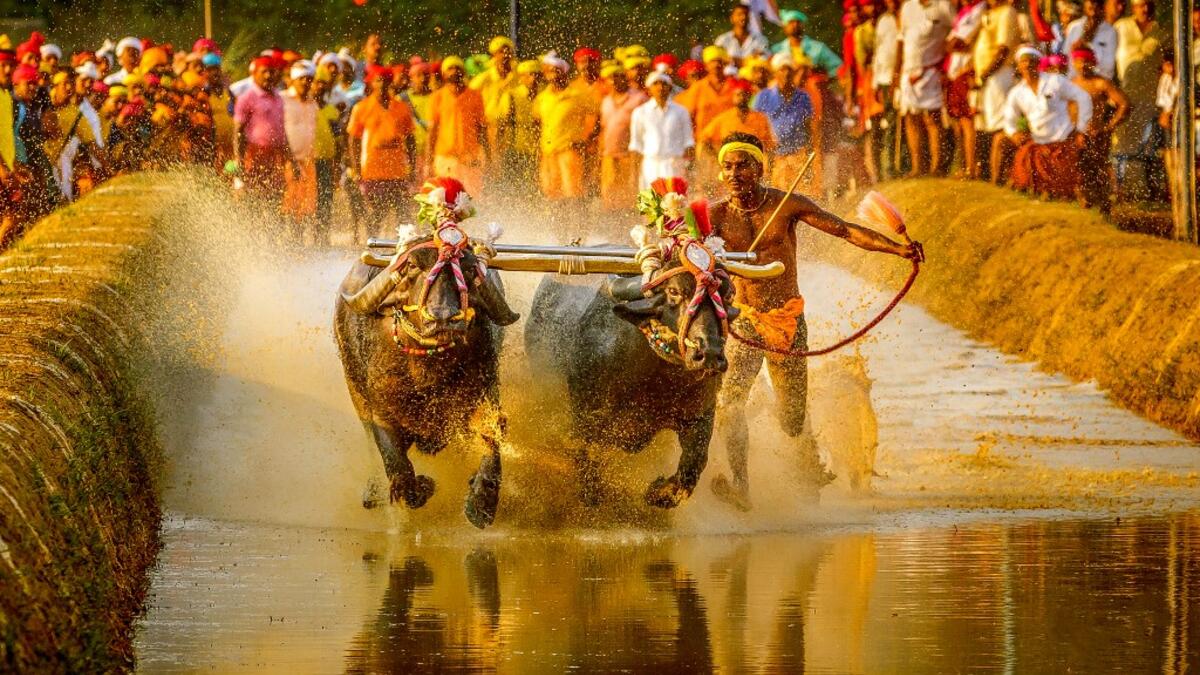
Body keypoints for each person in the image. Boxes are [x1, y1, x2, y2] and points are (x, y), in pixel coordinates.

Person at [707, 132, 922, 508]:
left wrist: (898, 248)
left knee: (790, 418)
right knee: (730, 402)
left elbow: (845, 230)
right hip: (743, 321)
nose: (735, 173)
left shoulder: (786, 205)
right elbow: (684, 253)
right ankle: (741, 488)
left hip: (787, 321)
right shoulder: (713, 217)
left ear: (759, 168)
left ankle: (808, 460)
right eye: (728, 166)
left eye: (743, 165)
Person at [1003, 46, 1093, 200]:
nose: (1026, 65)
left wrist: (1081, 129)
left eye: (1030, 61)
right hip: (1038, 144)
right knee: (1023, 164)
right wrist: (1014, 133)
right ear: (1018, 66)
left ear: (1038, 63)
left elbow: (1083, 97)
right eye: (1022, 62)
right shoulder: (1016, 92)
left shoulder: (1055, 80)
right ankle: (1041, 191)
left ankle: (1064, 192)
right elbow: (1009, 119)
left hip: (1063, 141)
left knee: (1069, 180)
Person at [348, 64, 416, 235]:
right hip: (372, 170)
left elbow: (410, 138)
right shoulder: (361, 108)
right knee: (376, 212)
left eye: (386, 81)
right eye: (379, 81)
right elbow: (353, 140)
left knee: (403, 214)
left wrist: (413, 166)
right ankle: (372, 248)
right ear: (371, 83)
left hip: (397, 169)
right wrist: (356, 168)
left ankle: (402, 249)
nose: (383, 84)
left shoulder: (401, 107)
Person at [1112, 0, 1165, 200]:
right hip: (1125, 96)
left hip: (1151, 99)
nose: (1144, 9)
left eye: (1148, 5)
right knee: (1121, 143)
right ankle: (1120, 191)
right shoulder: (1121, 27)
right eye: (1140, 5)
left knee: (1147, 145)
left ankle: (1144, 193)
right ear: (1132, 7)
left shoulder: (1162, 31)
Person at [896, 0, 954, 176]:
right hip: (908, 71)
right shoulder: (907, 7)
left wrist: (946, 65)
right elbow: (901, 40)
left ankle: (937, 167)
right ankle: (917, 167)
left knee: (932, 119)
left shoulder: (943, 5)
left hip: (931, 71)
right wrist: (896, 72)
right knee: (911, 119)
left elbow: (957, 34)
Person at [532, 52, 599, 202]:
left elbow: (596, 118)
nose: (551, 74)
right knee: (552, 196)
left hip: (570, 152)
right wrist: (538, 151)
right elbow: (537, 124)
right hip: (548, 154)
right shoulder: (542, 98)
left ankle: (577, 225)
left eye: (554, 70)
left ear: (562, 71)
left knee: (573, 195)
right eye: (548, 70)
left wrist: (585, 142)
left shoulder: (577, 94)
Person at [234, 56, 296, 207]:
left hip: (276, 156)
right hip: (254, 155)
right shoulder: (246, 98)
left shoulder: (278, 97)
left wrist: (291, 159)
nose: (268, 76)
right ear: (254, 74)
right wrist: (238, 161)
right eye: (264, 72)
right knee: (254, 198)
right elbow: (237, 132)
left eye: (271, 72)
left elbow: (282, 130)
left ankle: (273, 230)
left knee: (275, 198)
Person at [1071, 47, 1128, 210]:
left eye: (1085, 61)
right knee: (1078, 169)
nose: (1082, 65)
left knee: (1098, 167)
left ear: (1092, 63)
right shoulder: (1070, 84)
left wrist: (1108, 126)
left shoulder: (1100, 83)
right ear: (1074, 63)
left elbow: (1124, 104)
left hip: (1096, 134)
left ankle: (1105, 203)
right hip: (1074, 134)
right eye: (1078, 61)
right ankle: (1083, 201)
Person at [753, 52, 817, 193]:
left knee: (802, 194)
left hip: (798, 153)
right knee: (774, 194)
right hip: (772, 156)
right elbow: (755, 125)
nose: (786, 73)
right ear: (775, 73)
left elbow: (808, 128)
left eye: (789, 69)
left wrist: (809, 156)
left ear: (794, 73)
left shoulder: (803, 97)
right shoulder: (763, 96)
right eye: (782, 69)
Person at [973, 0, 1020, 182]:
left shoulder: (1007, 12)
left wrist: (984, 75)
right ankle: (989, 174)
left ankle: (998, 177)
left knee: (1000, 126)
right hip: (987, 77)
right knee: (987, 126)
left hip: (999, 75)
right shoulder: (988, 14)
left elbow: (1003, 50)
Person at [427, 56, 488, 195]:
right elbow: (432, 131)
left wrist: (487, 157)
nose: (454, 71)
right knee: (447, 200)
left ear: (463, 72)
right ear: (443, 74)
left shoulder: (475, 95)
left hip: (470, 158)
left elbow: (482, 128)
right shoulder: (437, 97)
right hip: (445, 158)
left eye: (458, 68)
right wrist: (428, 161)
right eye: (450, 68)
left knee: (471, 199)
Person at [629, 70, 695, 189]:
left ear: (670, 88)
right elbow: (636, 145)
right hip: (650, 166)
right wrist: (633, 175)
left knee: (674, 203)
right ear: (649, 88)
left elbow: (688, 142)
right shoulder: (640, 112)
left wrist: (690, 170)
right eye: (656, 84)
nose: (660, 87)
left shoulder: (681, 111)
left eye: (664, 84)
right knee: (651, 203)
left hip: (674, 166)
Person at [599, 62, 648, 211]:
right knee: (608, 195)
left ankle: (628, 228)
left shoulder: (639, 98)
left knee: (629, 195)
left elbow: (645, 128)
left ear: (624, 78)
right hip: (609, 155)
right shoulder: (606, 101)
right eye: (609, 78)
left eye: (617, 77)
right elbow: (604, 128)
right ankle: (610, 228)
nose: (613, 81)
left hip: (630, 156)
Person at [700, 78, 775, 165]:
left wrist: (768, 169)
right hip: (730, 166)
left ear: (750, 96)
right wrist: (717, 157)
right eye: (738, 95)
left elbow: (770, 147)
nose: (741, 97)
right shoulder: (724, 118)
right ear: (733, 97)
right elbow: (704, 139)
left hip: (753, 167)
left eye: (744, 94)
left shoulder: (761, 118)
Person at [282, 61, 319, 236]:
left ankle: (299, 242)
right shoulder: (282, 100)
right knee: (287, 203)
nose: (306, 82)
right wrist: (289, 158)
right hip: (287, 161)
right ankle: (286, 242)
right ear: (293, 80)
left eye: (309, 79)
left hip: (308, 161)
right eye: (302, 78)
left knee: (306, 205)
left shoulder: (313, 104)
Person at [470, 36, 518, 168]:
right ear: (494, 55)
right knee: (489, 169)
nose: (505, 55)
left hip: (514, 132)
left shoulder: (519, 77)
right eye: (501, 52)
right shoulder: (482, 80)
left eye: (508, 51)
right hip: (489, 131)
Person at [868, 0, 900, 180]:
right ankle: (889, 168)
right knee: (889, 122)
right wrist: (875, 82)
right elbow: (878, 51)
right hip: (884, 79)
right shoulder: (884, 20)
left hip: (904, 76)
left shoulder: (908, 13)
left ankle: (901, 165)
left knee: (898, 123)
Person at [772, 10, 844, 79]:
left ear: (804, 26)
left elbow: (838, 66)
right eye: (791, 22)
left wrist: (824, 79)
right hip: (785, 89)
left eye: (798, 22)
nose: (795, 25)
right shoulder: (776, 50)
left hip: (811, 88)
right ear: (784, 27)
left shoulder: (818, 47)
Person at [1063, 0, 1118, 79]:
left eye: (1097, 2)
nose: (1093, 4)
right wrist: (1073, 49)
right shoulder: (1074, 27)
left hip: (1097, 84)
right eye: (1090, 1)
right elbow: (1065, 59)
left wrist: (1086, 48)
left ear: (1102, 6)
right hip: (1073, 82)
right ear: (1085, 4)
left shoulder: (1110, 32)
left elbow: (1108, 67)